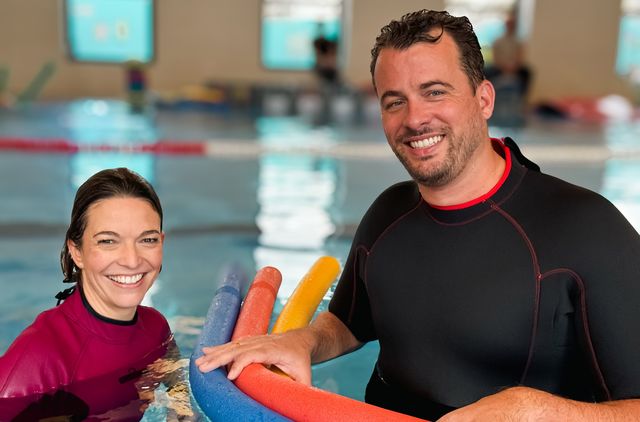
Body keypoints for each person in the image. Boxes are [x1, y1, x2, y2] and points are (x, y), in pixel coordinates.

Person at [196, 10, 640, 421]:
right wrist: (303, 341)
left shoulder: (588, 228)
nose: (414, 119)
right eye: (395, 102)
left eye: (435, 92)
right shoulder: (387, 214)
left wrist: (534, 410)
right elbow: (350, 322)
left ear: (484, 98)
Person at [0, 168, 181, 420]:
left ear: (162, 242)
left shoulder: (156, 329)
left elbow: (181, 400)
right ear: (76, 251)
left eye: (147, 240)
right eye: (108, 241)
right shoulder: (37, 361)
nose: (131, 260)